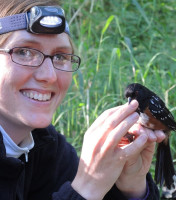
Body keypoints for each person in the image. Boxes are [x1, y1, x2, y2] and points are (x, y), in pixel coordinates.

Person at [0, 0, 166, 199]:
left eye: (60, 56)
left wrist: (131, 187)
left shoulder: (44, 144)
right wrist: (88, 185)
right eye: (24, 52)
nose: (49, 75)